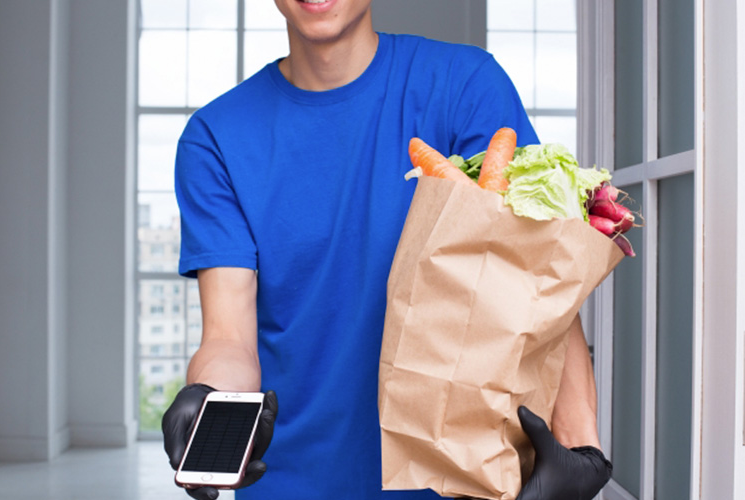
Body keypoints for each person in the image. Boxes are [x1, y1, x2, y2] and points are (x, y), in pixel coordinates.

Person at [162, 1, 613, 499]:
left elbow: (538, 268)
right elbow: (229, 338)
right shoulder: (216, 138)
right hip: (292, 482)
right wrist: (207, 396)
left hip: (460, 475)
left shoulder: (463, 85)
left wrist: (580, 444)